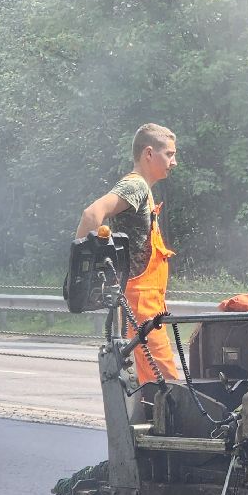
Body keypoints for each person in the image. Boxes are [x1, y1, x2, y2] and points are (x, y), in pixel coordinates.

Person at [76, 123, 180, 385]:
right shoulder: (136, 186)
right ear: (149, 153)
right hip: (140, 308)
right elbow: (92, 214)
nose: (174, 162)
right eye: (169, 154)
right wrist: (82, 272)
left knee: (148, 389)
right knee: (168, 387)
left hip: (144, 307)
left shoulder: (143, 190)